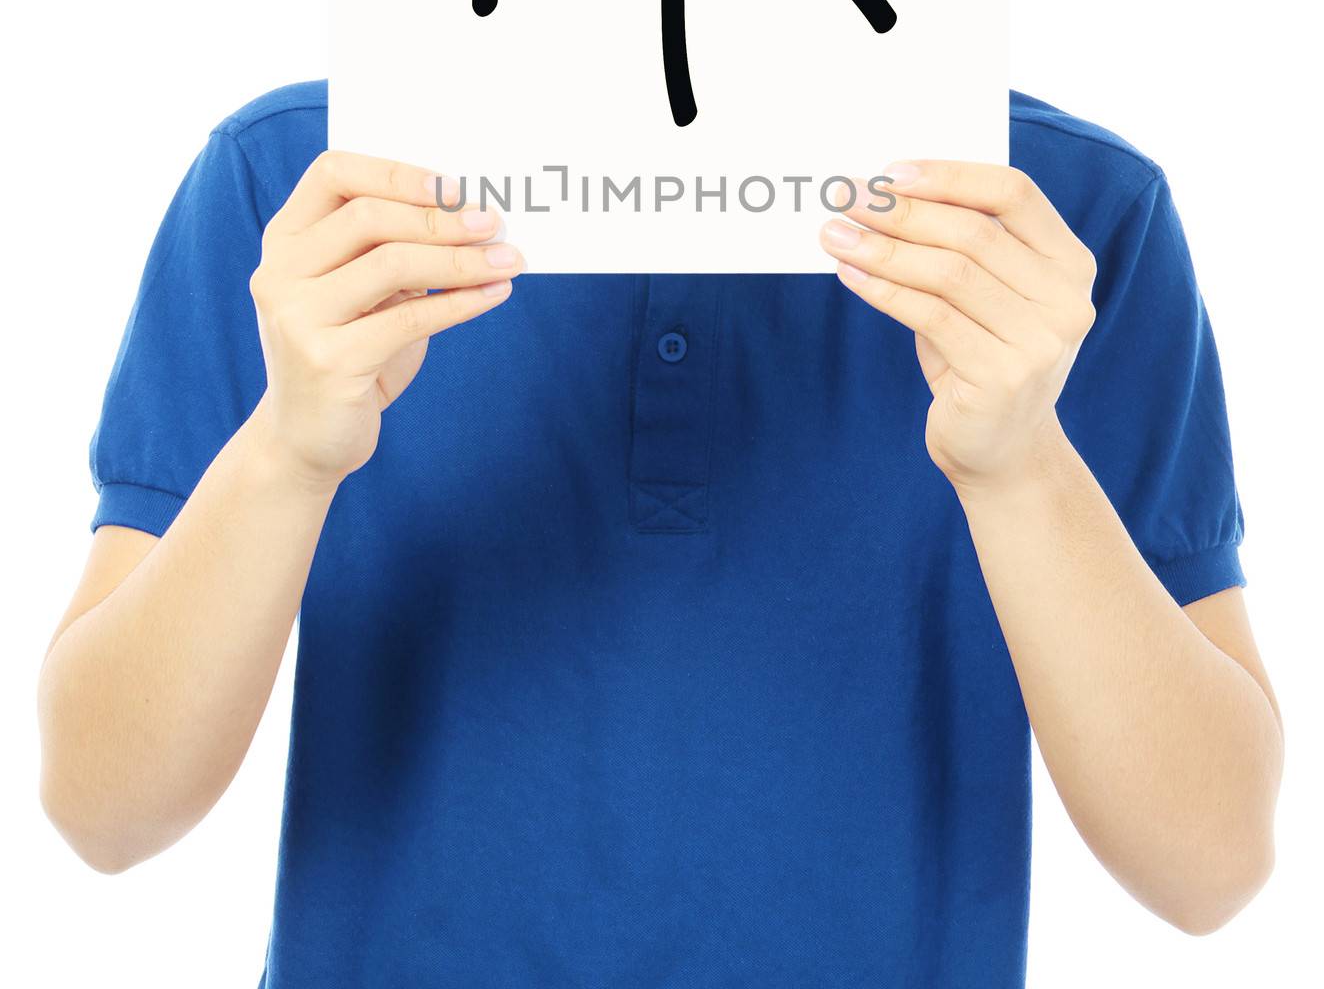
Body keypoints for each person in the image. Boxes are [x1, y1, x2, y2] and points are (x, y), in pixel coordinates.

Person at [37, 81, 1282, 988]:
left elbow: (1209, 866)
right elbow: (104, 807)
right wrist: (290, 446)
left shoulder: (1057, 228)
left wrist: (1019, 463)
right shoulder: (307, 198)